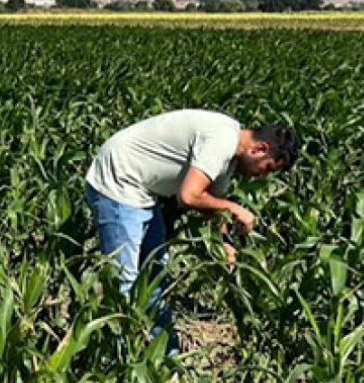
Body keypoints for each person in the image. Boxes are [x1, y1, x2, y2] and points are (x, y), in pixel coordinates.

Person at [85, 109, 298, 353]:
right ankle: (120, 359)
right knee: (124, 280)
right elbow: (189, 196)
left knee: (155, 276)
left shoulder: (230, 158)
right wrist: (235, 208)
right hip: (121, 179)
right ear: (259, 149)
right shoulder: (221, 141)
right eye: (267, 168)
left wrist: (225, 245)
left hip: (144, 190)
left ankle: (164, 355)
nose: (262, 176)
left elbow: (212, 207)